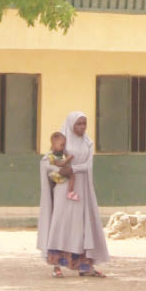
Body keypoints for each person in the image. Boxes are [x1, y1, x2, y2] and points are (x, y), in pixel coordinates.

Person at [37, 111, 110, 278]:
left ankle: (85, 265)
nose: (82, 127)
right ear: (71, 125)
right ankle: (56, 265)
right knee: (60, 224)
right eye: (79, 124)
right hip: (64, 188)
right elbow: (47, 161)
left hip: (82, 189)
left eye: (84, 123)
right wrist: (61, 170)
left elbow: (88, 166)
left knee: (82, 226)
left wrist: (73, 169)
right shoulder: (62, 140)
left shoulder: (88, 143)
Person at [46, 132, 79, 201]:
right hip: (55, 174)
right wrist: (68, 158)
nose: (63, 147)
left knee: (72, 174)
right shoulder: (51, 155)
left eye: (64, 145)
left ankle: (70, 192)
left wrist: (67, 156)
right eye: (62, 145)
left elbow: (66, 157)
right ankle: (70, 192)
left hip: (60, 170)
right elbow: (60, 164)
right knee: (71, 173)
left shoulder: (61, 151)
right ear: (54, 144)